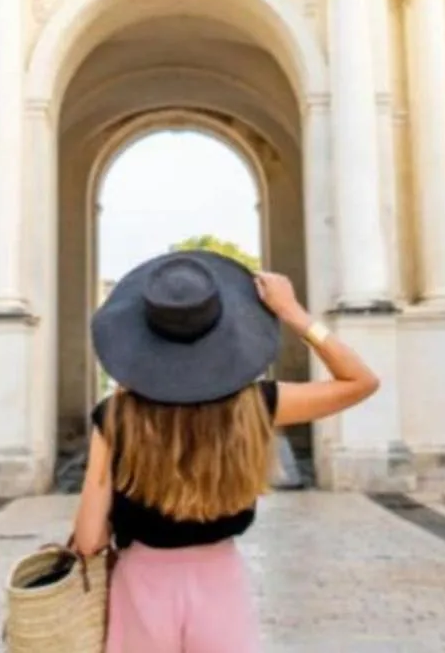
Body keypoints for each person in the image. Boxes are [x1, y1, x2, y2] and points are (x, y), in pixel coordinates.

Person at [71, 251, 380, 652]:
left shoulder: (115, 417)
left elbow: (90, 539)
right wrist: (294, 313)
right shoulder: (254, 404)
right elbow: (361, 381)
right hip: (221, 583)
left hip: (141, 587)